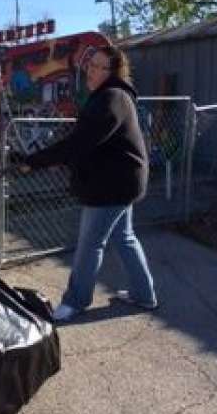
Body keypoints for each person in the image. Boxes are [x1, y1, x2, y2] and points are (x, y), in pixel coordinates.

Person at [21, 45, 157, 321]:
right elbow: (87, 143)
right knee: (124, 237)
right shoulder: (109, 96)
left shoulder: (112, 98)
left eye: (99, 66)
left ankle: (75, 302)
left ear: (113, 72)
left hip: (112, 186)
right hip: (122, 181)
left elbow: (79, 143)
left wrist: (33, 161)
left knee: (90, 243)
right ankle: (144, 295)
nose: (90, 70)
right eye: (90, 65)